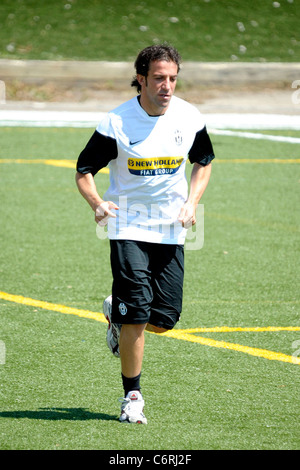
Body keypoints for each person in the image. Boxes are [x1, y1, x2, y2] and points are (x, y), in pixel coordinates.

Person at [75, 44, 215, 424]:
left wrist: (191, 201)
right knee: (137, 308)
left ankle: (115, 314)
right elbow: (83, 169)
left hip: (170, 229)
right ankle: (132, 397)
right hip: (128, 225)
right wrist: (97, 203)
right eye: (158, 78)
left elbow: (203, 161)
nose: (167, 86)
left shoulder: (189, 116)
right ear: (141, 79)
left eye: (172, 78)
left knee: (165, 318)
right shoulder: (117, 122)